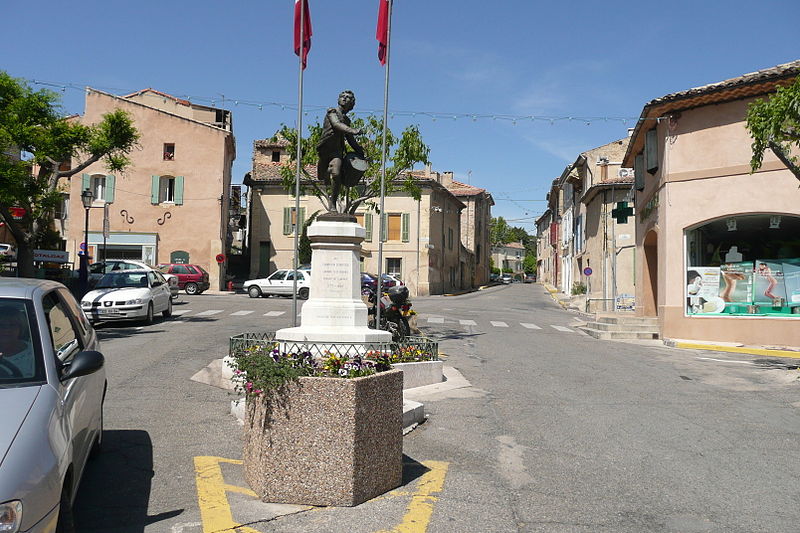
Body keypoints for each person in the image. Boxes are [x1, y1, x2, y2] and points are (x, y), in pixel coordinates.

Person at [316, 90, 365, 210]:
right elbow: (337, 124)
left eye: (348, 97)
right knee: (323, 176)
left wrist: (360, 151)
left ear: (352, 103)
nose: (344, 98)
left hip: (336, 151)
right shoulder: (332, 112)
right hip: (325, 148)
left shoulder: (347, 121)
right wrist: (353, 130)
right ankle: (324, 173)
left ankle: (332, 203)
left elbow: (350, 140)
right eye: (342, 96)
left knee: (336, 174)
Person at [0, 305, 34, 378]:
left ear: (21, 327)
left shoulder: (36, 354)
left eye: (12, 325)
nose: (7, 330)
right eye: (1, 325)